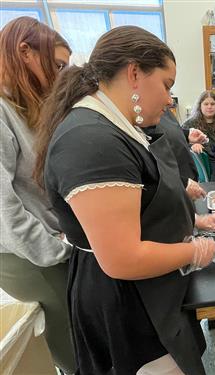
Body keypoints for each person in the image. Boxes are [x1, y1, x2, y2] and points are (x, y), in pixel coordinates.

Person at [34, 26, 215, 374]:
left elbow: (141, 204)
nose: (169, 100)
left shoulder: (118, 126)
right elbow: (123, 258)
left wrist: (192, 222)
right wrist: (198, 251)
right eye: (166, 85)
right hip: (126, 300)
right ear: (134, 73)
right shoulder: (92, 142)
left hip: (151, 288)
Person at [0, 17, 76, 374]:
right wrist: (60, 250)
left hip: (48, 243)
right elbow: (6, 214)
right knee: (73, 350)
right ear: (25, 52)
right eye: (58, 65)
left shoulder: (26, 109)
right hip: (28, 256)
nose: (62, 76)